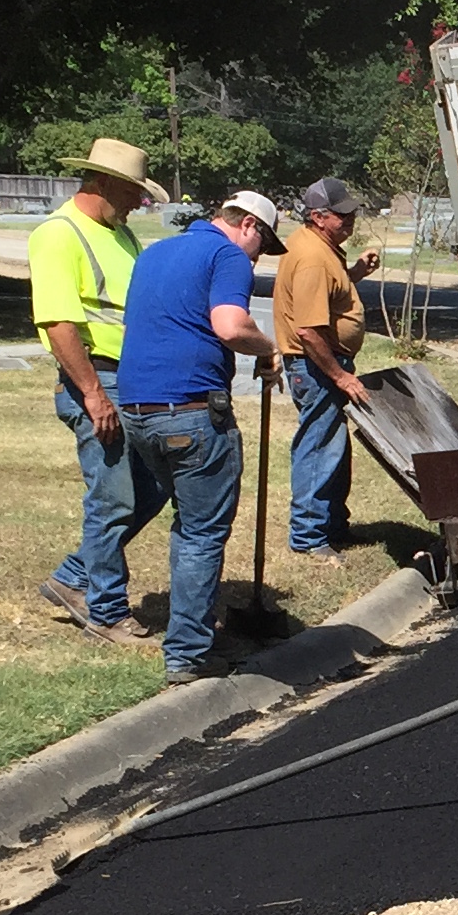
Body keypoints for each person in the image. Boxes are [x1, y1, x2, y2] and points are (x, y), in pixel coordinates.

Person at [113, 189, 283, 683]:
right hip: (191, 411)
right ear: (249, 226)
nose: (258, 256)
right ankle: (188, 652)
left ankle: (196, 623)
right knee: (202, 532)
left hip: (137, 409)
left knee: (187, 523)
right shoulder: (227, 255)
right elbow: (230, 326)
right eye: (264, 244)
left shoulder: (155, 252)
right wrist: (268, 348)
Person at [30, 137, 160, 645]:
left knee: (149, 489)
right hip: (96, 379)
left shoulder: (121, 234)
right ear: (102, 184)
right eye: (132, 192)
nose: (138, 203)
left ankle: (71, 577)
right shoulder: (59, 235)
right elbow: (59, 322)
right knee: (112, 498)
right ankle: (106, 612)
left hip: (130, 380)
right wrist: (91, 393)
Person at [270, 175, 381, 566]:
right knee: (319, 447)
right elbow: (308, 329)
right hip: (315, 365)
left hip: (321, 363)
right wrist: (339, 375)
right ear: (318, 217)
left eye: (352, 213)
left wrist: (354, 274)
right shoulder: (313, 258)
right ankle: (309, 536)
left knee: (333, 445)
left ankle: (333, 525)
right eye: (342, 215)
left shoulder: (321, 247)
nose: (349, 220)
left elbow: (328, 295)